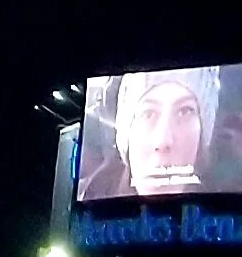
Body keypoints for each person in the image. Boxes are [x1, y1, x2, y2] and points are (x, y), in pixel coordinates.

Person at [80, 68, 222, 201]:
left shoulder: (224, 208)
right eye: (148, 114)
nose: (163, 140)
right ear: (126, 134)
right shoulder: (88, 203)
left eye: (184, 112)